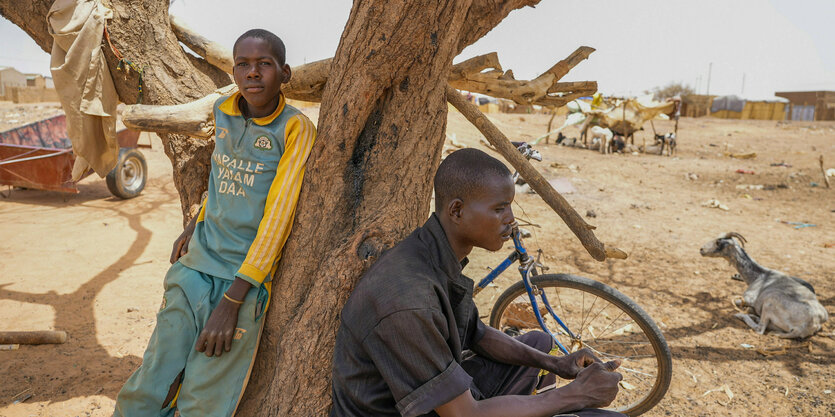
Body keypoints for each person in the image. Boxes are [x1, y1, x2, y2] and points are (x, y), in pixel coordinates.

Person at [330, 148, 624, 417]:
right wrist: (577, 394)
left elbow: (477, 333)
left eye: (510, 206)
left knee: (541, 345)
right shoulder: (408, 300)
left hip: (443, 404)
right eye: (499, 209)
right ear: (457, 211)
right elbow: (465, 415)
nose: (510, 219)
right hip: (434, 411)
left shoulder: (430, 254)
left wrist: (557, 365)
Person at [113, 29, 316, 417]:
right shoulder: (223, 110)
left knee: (203, 401)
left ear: (284, 73)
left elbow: (279, 216)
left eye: (264, 64)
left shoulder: (294, 129)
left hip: (242, 282)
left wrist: (233, 300)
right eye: (243, 64)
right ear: (234, 71)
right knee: (148, 383)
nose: (252, 73)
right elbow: (221, 177)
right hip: (194, 267)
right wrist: (196, 223)